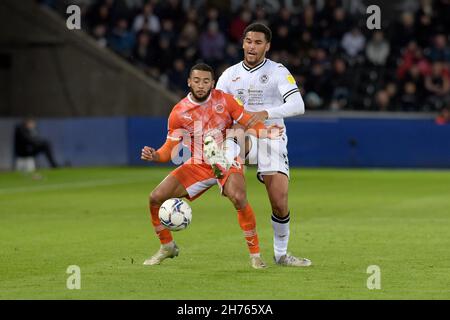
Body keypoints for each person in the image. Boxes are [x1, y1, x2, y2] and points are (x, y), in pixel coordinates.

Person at [140, 63, 283, 269]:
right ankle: (167, 246)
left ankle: (255, 255)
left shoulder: (224, 100)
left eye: (206, 81)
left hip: (226, 157)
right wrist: (155, 155)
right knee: (155, 197)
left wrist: (265, 132)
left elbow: (248, 121)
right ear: (189, 82)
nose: (201, 85)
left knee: (239, 197)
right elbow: (168, 149)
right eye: (196, 81)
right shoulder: (179, 112)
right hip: (199, 164)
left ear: (212, 83)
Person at [215, 23, 312, 267]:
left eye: (258, 42)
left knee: (279, 202)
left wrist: (266, 112)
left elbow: (298, 105)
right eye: (248, 41)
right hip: (244, 136)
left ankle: (281, 255)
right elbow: (215, 111)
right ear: (243, 43)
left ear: (267, 46)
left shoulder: (278, 72)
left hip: (271, 138)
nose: (252, 46)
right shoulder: (229, 75)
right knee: (237, 132)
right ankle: (223, 166)